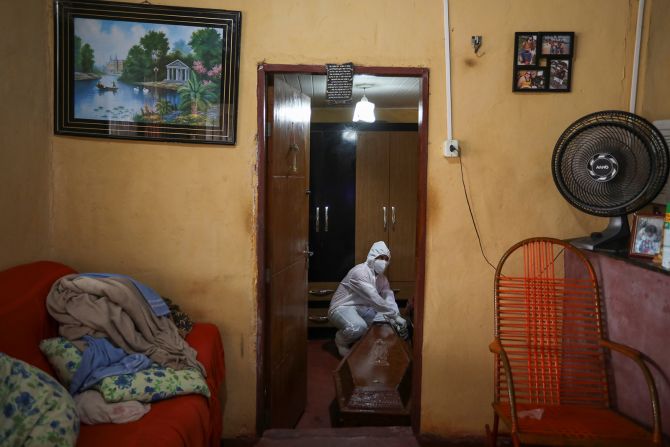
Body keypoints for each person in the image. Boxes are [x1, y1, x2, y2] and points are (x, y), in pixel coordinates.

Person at [328, 241, 409, 357]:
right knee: (358, 327)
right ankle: (341, 340)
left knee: (385, 324)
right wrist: (395, 316)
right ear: (372, 256)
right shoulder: (360, 272)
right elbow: (374, 298)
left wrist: (396, 317)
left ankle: (361, 341)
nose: (384, 262)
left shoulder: (382, 279)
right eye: (380, 257)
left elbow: (388, 297)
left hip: (363, 308)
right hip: (342, 307)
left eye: (386, 259)